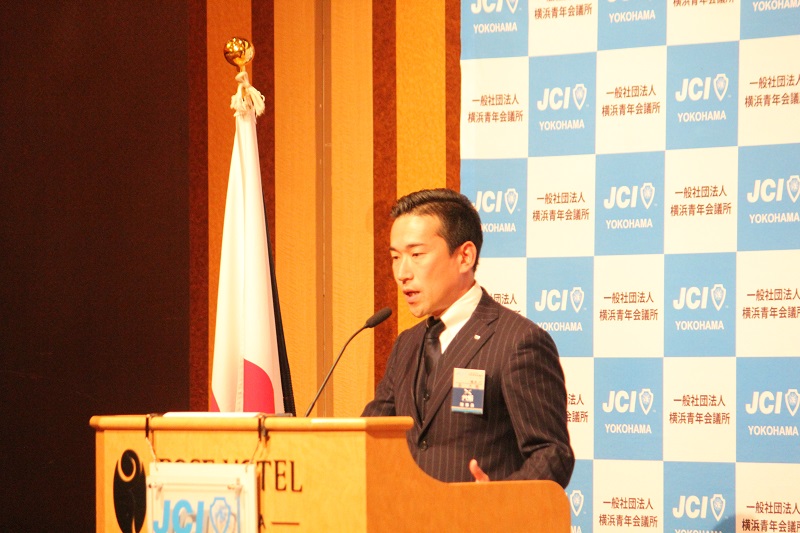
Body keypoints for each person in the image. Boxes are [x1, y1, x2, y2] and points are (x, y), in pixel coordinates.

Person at [362, 188, 574, 486]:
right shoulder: (407, 344)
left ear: (464, 256)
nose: (402, 273)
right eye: (395, 257)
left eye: (416, 255)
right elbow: (371, 435)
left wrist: (496, 500)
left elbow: (552, 454)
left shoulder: (517, 342)